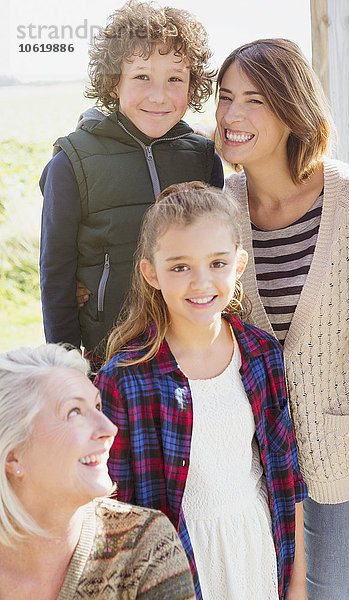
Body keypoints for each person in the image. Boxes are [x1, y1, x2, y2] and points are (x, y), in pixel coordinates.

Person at [214, 39, 349, 600]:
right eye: (225, 97)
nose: (232, 115)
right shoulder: (219, 210)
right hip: (249, 469)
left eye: (254, 100)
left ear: (292, 111)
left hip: (339, 463)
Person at [95, 182, 308, 600]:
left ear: (239, 265)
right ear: (150, 272)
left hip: (257, 545)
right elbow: (115, 510)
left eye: (216, 263)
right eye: (180, 267)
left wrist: (297, 585)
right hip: (179, 559)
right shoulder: (126, 378)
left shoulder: (261, 354)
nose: (201, 282)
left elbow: (286, 474)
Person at [39, 0, 223, 366]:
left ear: (193, 85)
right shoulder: (72, 162)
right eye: (142, 76)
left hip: (190, 351)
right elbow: (56, 274)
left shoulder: (203, 158)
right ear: (114, 82)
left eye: (175, 78)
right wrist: (67, 366)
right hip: (109, 354)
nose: (159, 95)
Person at [0, 343, 196, 600]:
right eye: (74, 412)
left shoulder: (145, 547)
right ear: (13, 453)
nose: (109, 428)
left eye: (98, 407)